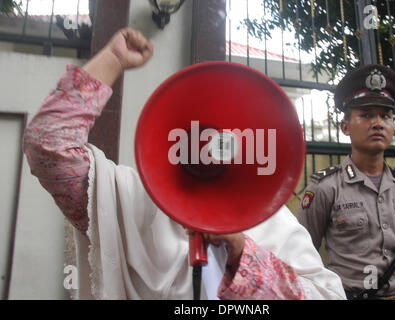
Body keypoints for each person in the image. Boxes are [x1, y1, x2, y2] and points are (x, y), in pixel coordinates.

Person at [22, 27, 346, 300]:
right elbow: (49, 146)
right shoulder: (127, 198)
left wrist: (242, 253)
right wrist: (113, 60)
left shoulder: (269, 220)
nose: (205, 150)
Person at [297, 64, 395, 300]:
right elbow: (302, 254)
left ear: (392, 126)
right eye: (366, 115)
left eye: (385, 116)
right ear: (345, 127)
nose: (377, 123)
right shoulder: (326, 188)